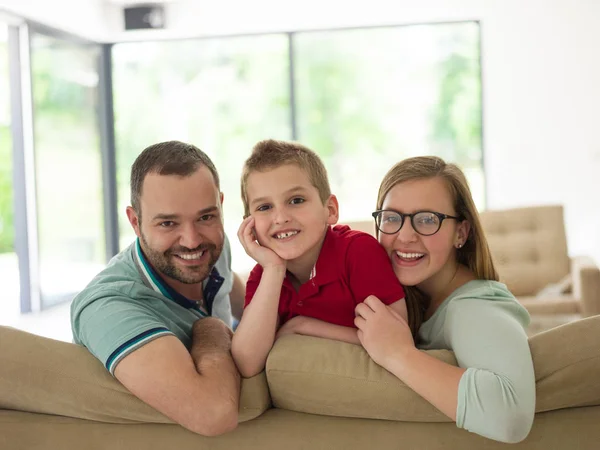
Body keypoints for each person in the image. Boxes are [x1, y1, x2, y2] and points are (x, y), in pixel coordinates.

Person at [354, 156, 536, 443]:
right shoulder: (418, 299)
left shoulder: (474, 307)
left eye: (427, 220)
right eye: (391, 218)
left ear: (460, 233)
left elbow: (510, 417)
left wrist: (397, 353)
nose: (405, 235)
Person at [70, 141, 245, 436]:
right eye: (167, 223)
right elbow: (213, 414)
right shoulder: (107, 307)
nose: (191, 240)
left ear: (220, 207)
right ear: (135, 222)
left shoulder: (214, 245)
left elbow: (232, 288)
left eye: (205, 217)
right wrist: (212, 329)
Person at [232, 139, 409, 378]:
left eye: (296, 200)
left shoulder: (358, 252)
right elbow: (247, 363)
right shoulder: (264, 275)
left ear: (330, 210)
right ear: (249, 224)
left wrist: (301, 326)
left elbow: (399, 338)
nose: (280, 217)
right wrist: (274, 270)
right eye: (264, 207)